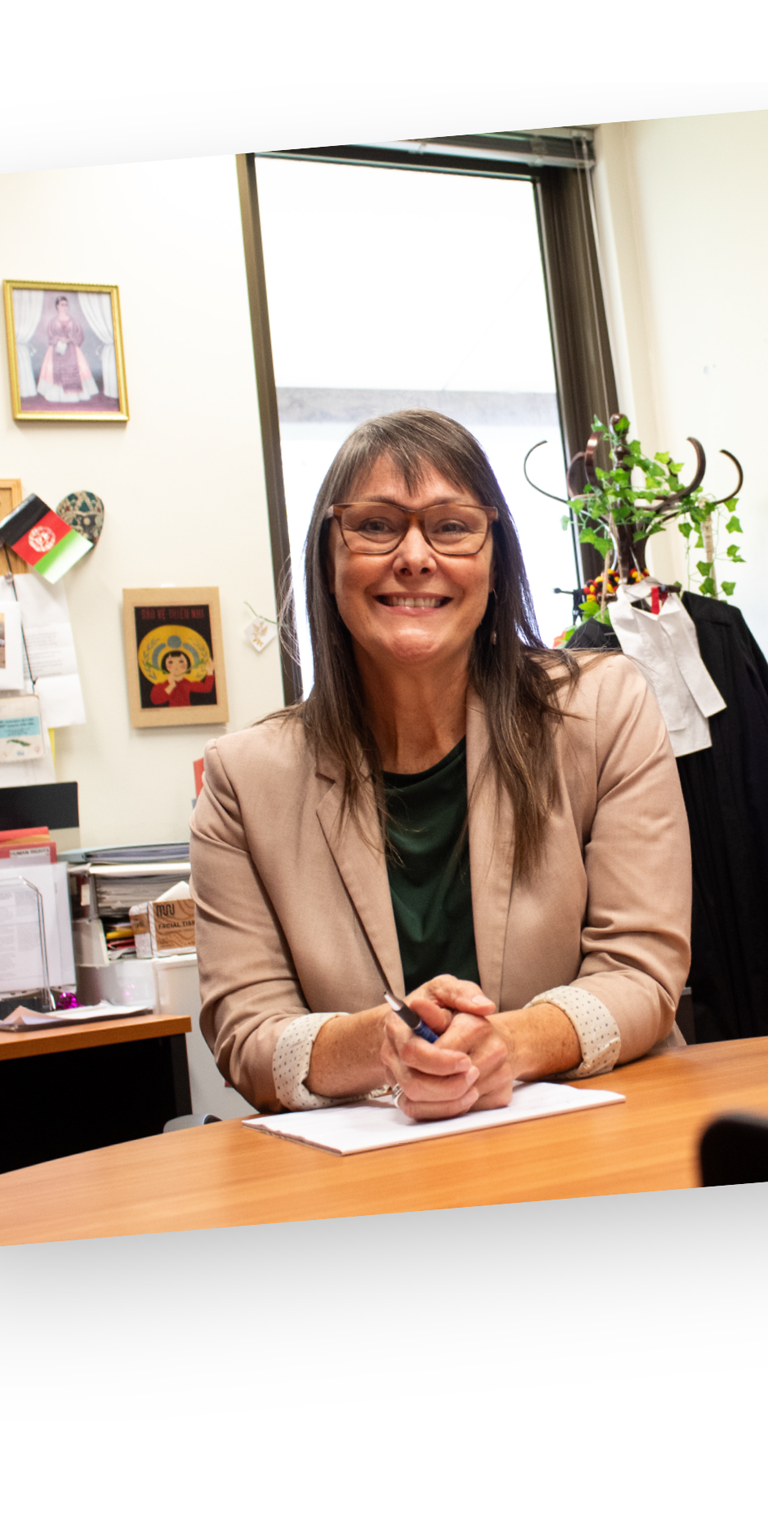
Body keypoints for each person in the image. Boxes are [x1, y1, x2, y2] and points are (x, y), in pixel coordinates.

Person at [194, 410, 691, 1120]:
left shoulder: (605, 710)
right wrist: (382, 1045)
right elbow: (245, 1032)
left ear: (495, 564)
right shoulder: (245, 779)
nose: (416, 556)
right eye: (375, 525)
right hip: (372, 1187)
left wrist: (507, 1044)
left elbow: (642, 972)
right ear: (327, 562)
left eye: (452, 526)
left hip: (598, 1147)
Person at [34, 294, 97, 403]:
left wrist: (69, 339)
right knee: (54, 370)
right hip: (56, 351)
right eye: (62, 305)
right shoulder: (53, 322)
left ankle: (74, 394)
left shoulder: (73, 321)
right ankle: (57, 394)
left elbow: (80, 334)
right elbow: (50, 336)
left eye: (66, 305)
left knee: (75, 369)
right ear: (57, 306)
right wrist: (59, 339)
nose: (64, 307)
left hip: (72, 350)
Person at [148, 646, 216, 707]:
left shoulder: (187, 683)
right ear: (164, 665)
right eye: (171, 662)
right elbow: (155, 700)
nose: (176, 665)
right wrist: (171, 685)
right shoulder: (163, 685)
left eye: (181, 661)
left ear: (188, 665)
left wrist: (210, 672)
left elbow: (206, 688)